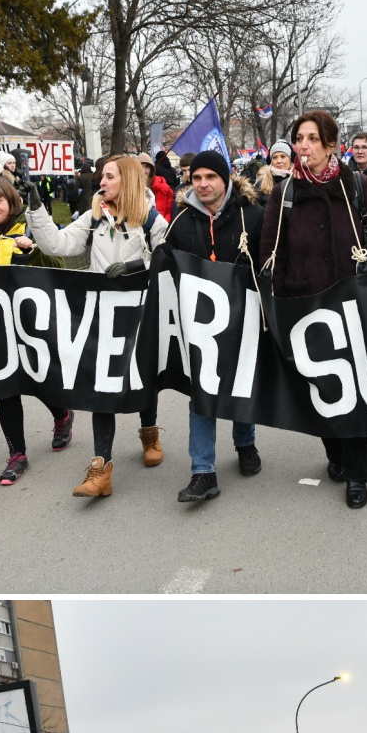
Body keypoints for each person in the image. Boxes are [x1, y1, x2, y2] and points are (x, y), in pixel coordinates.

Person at [258, 110, 367, 510]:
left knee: (352, 389)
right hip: (304, 307)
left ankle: (358, 472)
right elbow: (271, 252)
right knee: (319, 388)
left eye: (312, 139)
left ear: (330, 144)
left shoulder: (355, 183)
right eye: (299, 138)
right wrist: (280, 303)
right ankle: (336, 454)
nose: (303, 146)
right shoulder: (284, 194)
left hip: (352, 303)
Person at [24, 155, 170, 496]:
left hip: (140, 313)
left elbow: (167, 260)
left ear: (129, 181)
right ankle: (99, 469)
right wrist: (37, 210)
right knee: (101, 386)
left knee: (141, 376)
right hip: (102, 316)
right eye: (101, 176)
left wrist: (136, 266)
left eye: (108, 176)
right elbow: (57, 245)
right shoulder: (93, 217)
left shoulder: (151, 218)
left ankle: (149, 432)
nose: (100, 182)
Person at [166, 149, 265, 499]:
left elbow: (269, 263)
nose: (204, 184)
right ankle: (203, 470)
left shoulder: (252, 216)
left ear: (225, 179)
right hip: (200, 324)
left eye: (211, 177)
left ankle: (245, 443)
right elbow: (164, 266)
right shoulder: (181, 221)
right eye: (197, 178)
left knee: (242, 383)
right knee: (202, 392)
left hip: (244, 318)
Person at [0, 176, 72, 487]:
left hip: (32, 324)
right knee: (5, 388)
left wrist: (33, 249)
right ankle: (16, 454)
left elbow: (60, 268)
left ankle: (62, 414)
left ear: (12, 203)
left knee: (40, 380)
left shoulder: (30, 226)